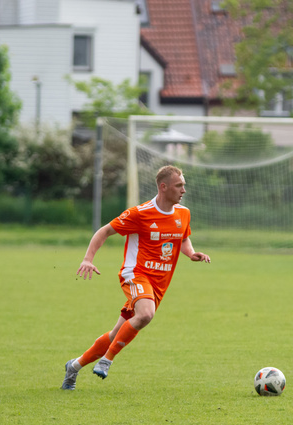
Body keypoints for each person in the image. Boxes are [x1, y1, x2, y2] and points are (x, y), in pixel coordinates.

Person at [61, 165, 211, 390]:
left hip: (159, 284)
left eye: (184, 185)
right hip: (135, 274)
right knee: (146, 314)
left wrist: (191, 253)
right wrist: (87, 259)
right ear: (163, 187)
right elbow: (104, 231)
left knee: (116, 333)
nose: (184, 190)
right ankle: (107, 360)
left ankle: (73, 366)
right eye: (179, 185)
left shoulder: (183, 213)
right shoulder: (139, 213)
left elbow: (183, 238)